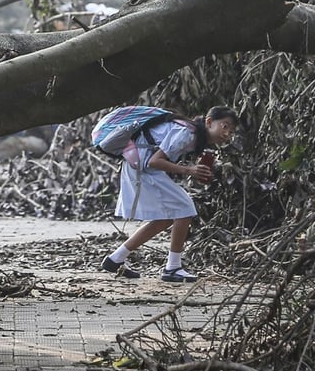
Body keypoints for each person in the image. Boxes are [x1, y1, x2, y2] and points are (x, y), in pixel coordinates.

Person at [100, 106, 239, 283]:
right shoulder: (187, 133)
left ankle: (115, 259)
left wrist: (191, 170)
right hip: (142, 166)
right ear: (209, 122)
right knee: (185, 208)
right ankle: (173, 268)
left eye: (231, 131)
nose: (227, 133)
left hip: (140, 165)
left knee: (166, 218)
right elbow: (155, 160)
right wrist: (189, 170)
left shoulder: (193, 134)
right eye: (225, 126)